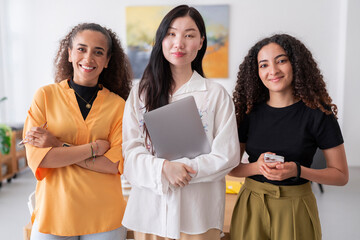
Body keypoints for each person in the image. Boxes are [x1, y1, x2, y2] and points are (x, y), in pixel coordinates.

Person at [121, 5, 240, 240]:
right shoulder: (140, 93)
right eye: (172, 34)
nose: (179, 43)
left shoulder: (215, 95)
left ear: (201, 42)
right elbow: (130, 152)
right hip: (150, 213)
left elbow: (227, 156)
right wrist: (164, 168)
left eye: (189, 35)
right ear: (161, 40)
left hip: (197, 215)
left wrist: (184, 170)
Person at [229, 34, 349, 240]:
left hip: (296, 206)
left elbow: (341, 175)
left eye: (281, 61)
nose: (273, 71)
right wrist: (256, 167)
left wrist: (298, 170)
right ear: (256, 72)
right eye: (264, 65)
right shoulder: (247, 112)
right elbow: (230, 167)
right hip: (251, 204)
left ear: (296, 64)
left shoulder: (319, 113)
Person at [23, 23, 132, 239]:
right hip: (54, 214)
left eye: (98, 52)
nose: (89, 58)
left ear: (107, 61)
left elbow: (112, 165)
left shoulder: (119, 105)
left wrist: (57, 146)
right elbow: (40, 160)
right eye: (81, 49)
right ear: (70, 54)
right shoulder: (44, 97)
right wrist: (94, 149)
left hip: (105, 216)